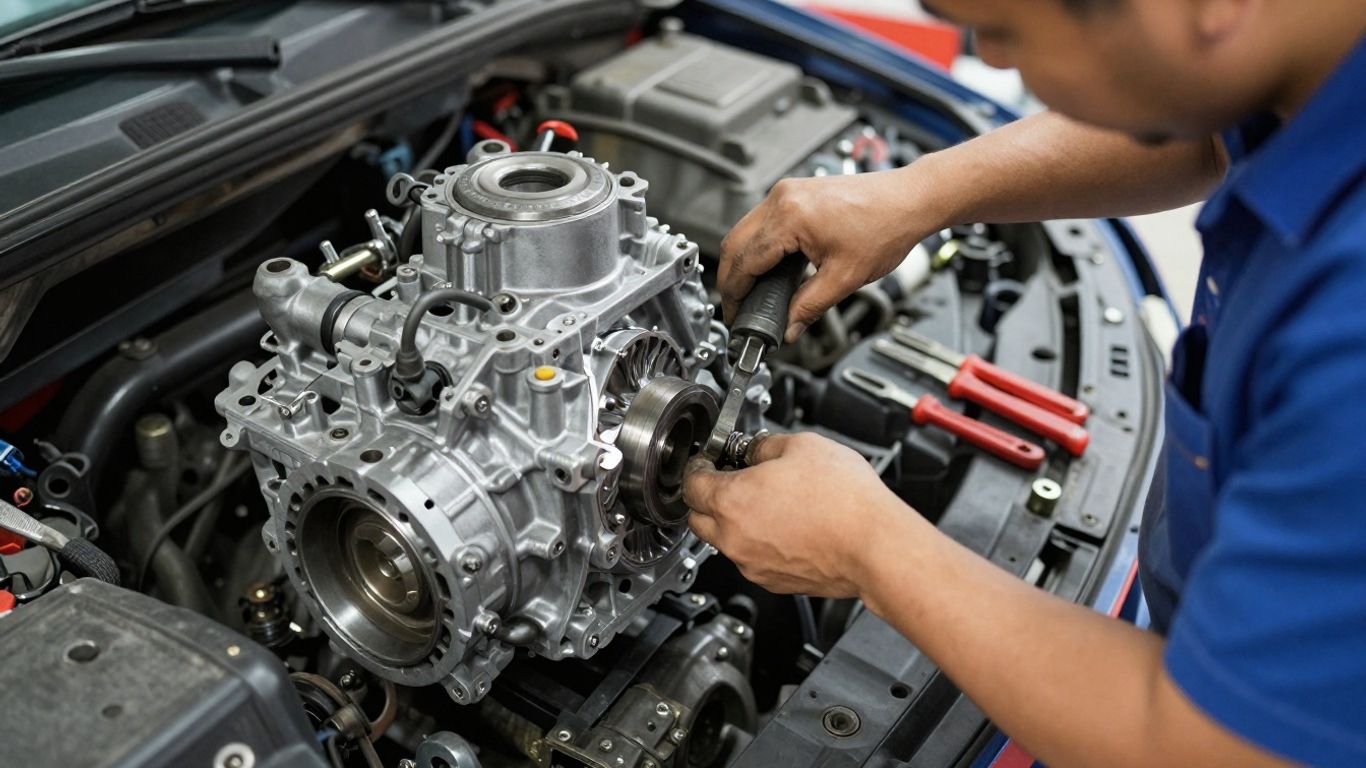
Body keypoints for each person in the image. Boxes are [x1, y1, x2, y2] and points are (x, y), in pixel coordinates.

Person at [682, 1, 1366, 765]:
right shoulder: (1300, 51)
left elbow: (1213, 746)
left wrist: (870, 547)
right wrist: (920, 193)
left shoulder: (1351, 332)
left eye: (1004, 30)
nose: (992, 62)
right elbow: (1207, 131)